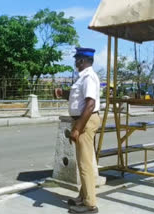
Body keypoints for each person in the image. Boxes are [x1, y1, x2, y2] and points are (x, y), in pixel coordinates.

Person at [55, 47, 100, 213]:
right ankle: (83, 197)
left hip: (85, 122)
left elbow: (90, 104)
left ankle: (90, 205)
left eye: (76, 60)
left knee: (84, 164)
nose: (75, 62)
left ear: (81, 61)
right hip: (83, 120)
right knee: (84, 161)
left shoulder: (88, 77)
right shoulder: (83, 78)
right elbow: (79, 99)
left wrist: (77, 129)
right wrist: (64, 93)